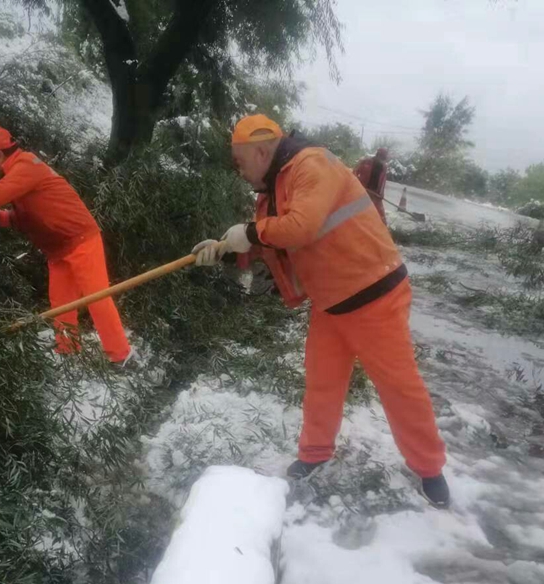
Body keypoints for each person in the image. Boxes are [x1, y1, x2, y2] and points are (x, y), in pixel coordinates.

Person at [192, 115, 450, 508]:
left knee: (399, 387)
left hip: (375, 294)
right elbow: (270, 245)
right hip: (331, 301)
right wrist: (225, 251)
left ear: (260, 152)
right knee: (322, 381)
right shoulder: (270, 191)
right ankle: (315, 452)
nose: (238, 171)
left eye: (240, 162)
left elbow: (300, 227)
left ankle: (430, 468)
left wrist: (249, 232)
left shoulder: (312, 164)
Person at [0, 126, 132, 364]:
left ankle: (121, 355)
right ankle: (68, 353)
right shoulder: (18, 175)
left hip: (80, 239)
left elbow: (0, 192)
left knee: (97, 298)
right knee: (61, 304)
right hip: (58, 248)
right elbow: (25, 217)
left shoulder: (26, 164)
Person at [353, 147, 389, 224]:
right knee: (358, 211)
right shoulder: (366, 162)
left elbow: (382, 182)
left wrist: (380, 195)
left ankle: (382, 227)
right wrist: (357, 184)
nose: (383, 160)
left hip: (374, 194)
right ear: (379, 155)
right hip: (362, 191)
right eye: (383, 157)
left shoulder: (383, 167)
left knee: (379, 216)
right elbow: (355, 172)